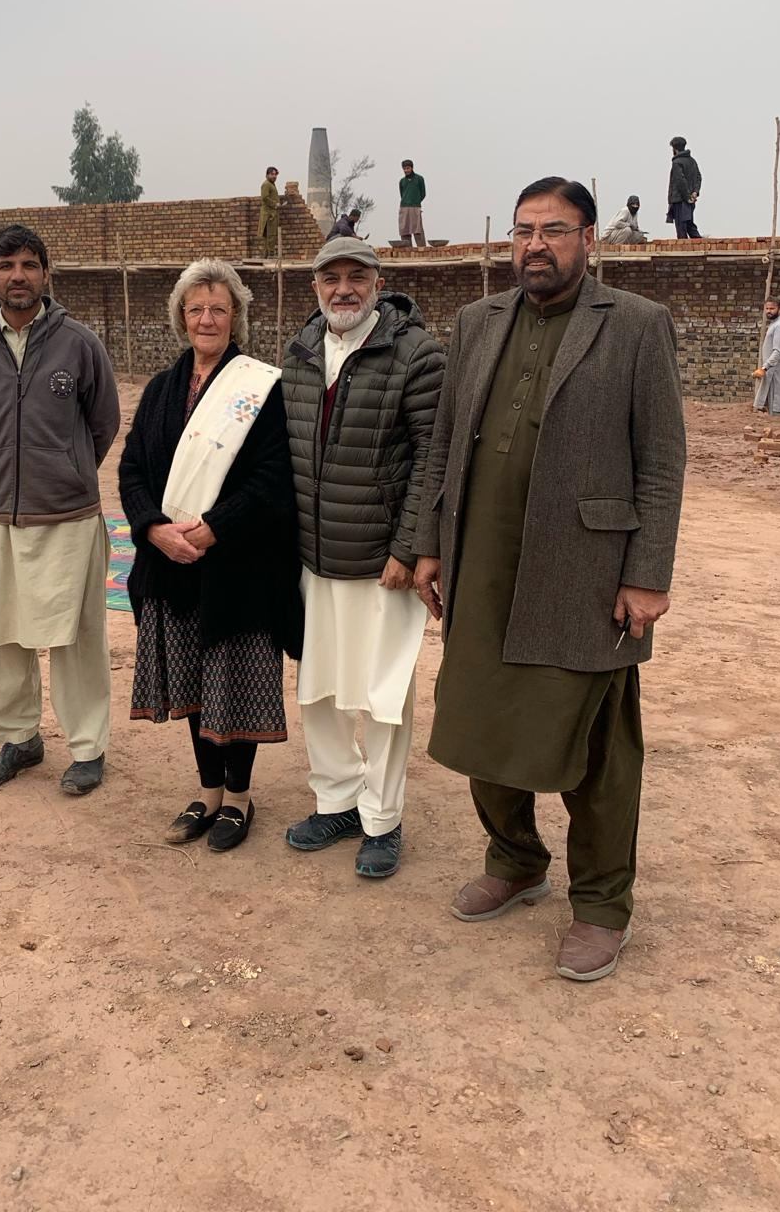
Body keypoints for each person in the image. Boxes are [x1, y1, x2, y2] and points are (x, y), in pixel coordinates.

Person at [413, 177, 685, 982]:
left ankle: (602, 906)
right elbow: (442, 441)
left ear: (589, 238)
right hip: (482, 565)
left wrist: (647, 575)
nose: (535, 244)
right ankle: (517, 860)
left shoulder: (636, 325)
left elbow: (663, 459)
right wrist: (427, 542)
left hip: (586, 572)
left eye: (555, 230)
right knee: (480, 725)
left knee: (597, 750)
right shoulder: (474, 322)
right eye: (525, 230)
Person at [120, 259, 302, 850]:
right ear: (181, 316)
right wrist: (153, 529)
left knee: (234, 682)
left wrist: (212, 529)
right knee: (196, 685)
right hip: (171, 566)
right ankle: (207, 793)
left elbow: (273, 477)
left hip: (237, 567)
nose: (206, 318)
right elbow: (131, 469)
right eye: (196, 308)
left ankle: (241, 799)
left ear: (235, 318)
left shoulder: (256, 389)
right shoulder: (160, 390)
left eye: (218, 309)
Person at [281, 236, 444, 879]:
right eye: (331, 279)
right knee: (318, 688)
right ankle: (336, 799)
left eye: (357, 277)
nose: (343, 289)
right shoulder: (298, 353)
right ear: (315, 287)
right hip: (311, 556)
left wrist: (409, 547)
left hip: (383, 561)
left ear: (379, 283)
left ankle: (382, 817)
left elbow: (433, 460)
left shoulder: (415, 354)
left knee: (383, 695)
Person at [0, 223, 120, 796]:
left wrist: (61, 468)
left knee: (77, 635)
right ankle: (18, 739)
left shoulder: (79, 342)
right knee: (1, 634)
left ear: (47, 273)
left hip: (68, 515)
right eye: (5, 266)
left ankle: (87, 746)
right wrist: (9, 467)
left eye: (28, 264)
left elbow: (103, 424)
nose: (17, 276)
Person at [753, 297, 780, 414]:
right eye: (767, 308)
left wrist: (764, 368)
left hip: (777, 371)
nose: (769, 311)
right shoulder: (775, 324)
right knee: (772, 405)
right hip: (773, 370)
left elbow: (777, 352)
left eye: (772, 308)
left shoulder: (779, 326)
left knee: (778, 406)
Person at [665, 138, 702, 238]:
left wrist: (687, 197)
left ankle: (686, 250)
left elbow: (680, 181)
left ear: (674, 149)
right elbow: (698, 177)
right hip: (690, 200)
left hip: (680, 200)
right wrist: (695, 192)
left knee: (681, 227)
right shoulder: (692, 161)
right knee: (690, 225)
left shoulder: (677, 162)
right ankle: (700, 244)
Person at [398, 160, 427, 247]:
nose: (406, 170)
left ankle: (422, 249)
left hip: (415, 206)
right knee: (404, 230)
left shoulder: (419, 179)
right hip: (404, 207)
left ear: (412, 168)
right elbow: (402, 194)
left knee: (417, 230)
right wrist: (406, 202)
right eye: (404, 169)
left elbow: (423, 193)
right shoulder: (402, 181)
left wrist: (416, 201)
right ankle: (407, 250)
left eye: (408, 168)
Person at [258, 167, 282, 251]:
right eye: (272, 174)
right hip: (269, 214)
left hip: (272, 214)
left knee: (271, 235)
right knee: (270, 235)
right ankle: (270, 254)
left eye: (275, 174)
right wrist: (275, 204)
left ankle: (269, 253)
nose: (274, 176)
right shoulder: (266, 184)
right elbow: (265, 198)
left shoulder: (271, 184)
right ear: (267, 175)